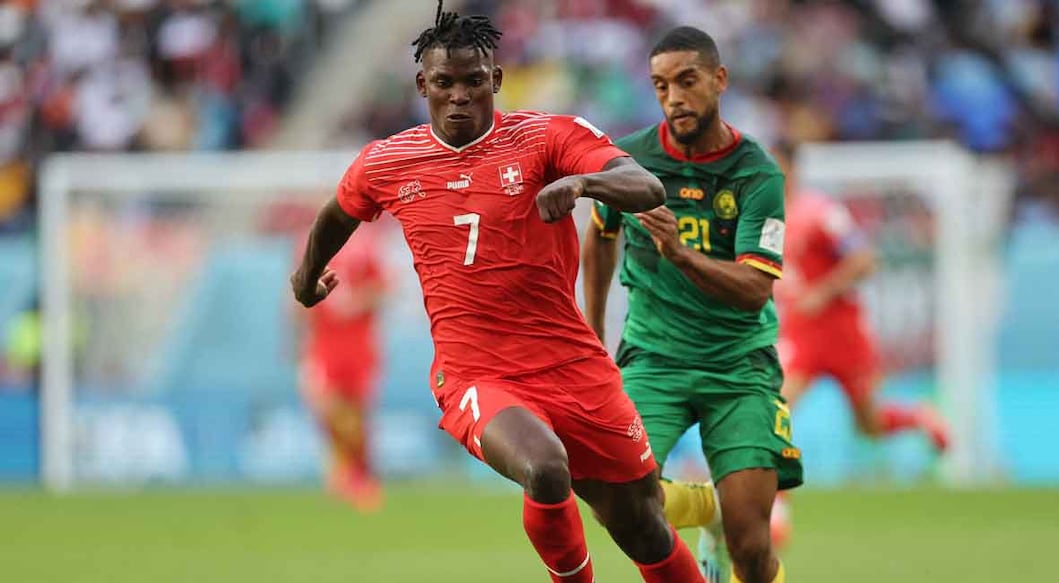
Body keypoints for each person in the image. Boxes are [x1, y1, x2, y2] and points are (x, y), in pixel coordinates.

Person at [290, 3, 704, 582]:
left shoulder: (546, 138)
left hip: (572, 363)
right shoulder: (389, 161)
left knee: (640, 520)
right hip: (476, 372)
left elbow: (647, 185)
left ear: (496, 80)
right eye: (444, 83)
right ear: (422, 85)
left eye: (473, 81)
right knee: (544, 467)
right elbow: (339, 213)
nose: (459, 95)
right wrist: (307, 277)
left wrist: (585, 183)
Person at [583, 26, 801, 583]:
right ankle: (706, 507)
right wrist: (591, 335)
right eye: (660, 85)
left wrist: (678, 254)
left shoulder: (757, 173)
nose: (674, 97)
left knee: (751, 546)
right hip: (653, 359)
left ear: (719, 80)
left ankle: (726, 521)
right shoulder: (627, 160)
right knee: (619, 502)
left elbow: (755, 288)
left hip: (739, 367)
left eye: (686, 81)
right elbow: (600, 235)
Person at [773, 141, 950, 451]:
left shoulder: (820, 213)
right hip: (803, 333)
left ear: (791, 168)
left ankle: (918, 416)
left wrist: (821, 292)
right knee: (774, 411)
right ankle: (778, 498)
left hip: (842, 332)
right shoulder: (767, 218)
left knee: (869, 425)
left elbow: (864, 260)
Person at [295, 223, 388, 512]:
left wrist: (354, 303)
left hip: (358, 342)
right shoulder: (310, 244)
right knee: (325, 407)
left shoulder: (365, 245)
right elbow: (297, 291)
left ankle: (358, 476)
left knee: (356, 414)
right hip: (324, 343)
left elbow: (382, 289)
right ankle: (347, 470)